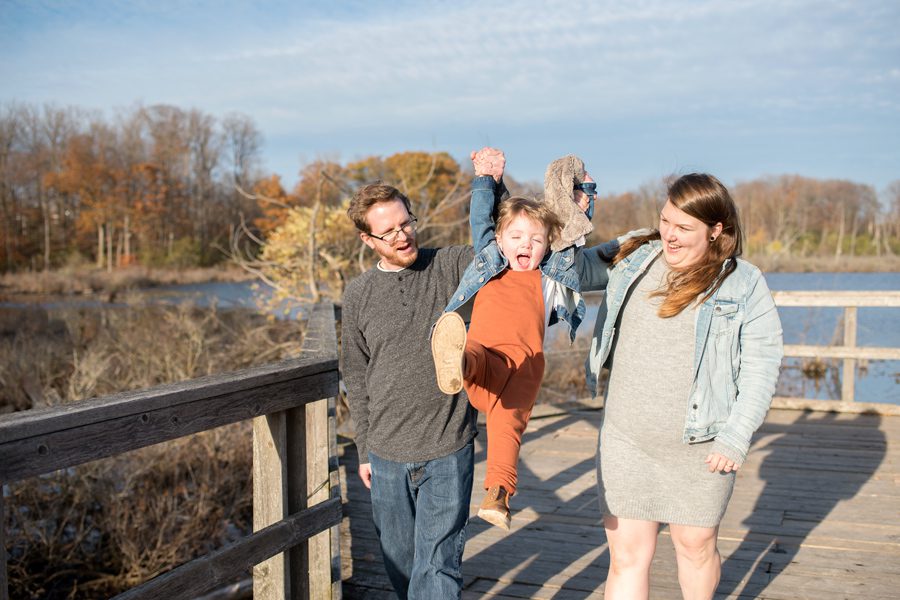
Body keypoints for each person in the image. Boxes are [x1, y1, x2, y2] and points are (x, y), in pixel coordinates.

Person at [578, 173, 784, 599]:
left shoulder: (743, 283)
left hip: (701, 447)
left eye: (684, 227)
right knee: (627, 557)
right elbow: (575, 273)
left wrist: (735, 437)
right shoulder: (635, 252)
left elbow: (762, 368)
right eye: (666, 220)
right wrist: (574, 215)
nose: (669, 235)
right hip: (627, 440)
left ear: (716, 230)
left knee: (695, 548)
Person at [431, 148, 606, 531]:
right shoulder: (489, 262)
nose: (525, 245)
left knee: (508, 429)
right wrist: (486, 179)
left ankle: (498, 495)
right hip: (485, 362)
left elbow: (573, 232)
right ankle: (454, 362)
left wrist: (585, 192)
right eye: (516, 237)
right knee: (475, 353)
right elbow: (480, 218)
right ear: (499, 238)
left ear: (547, 245)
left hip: (524, 372)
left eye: (536, 239)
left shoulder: (550, 272)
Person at [341, 181, 500, 599]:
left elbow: (499, 246)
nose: (403, 235)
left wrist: (490, 185)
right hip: (386, 454)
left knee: (437, 567)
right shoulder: (358, 293)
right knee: (402, 566)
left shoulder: (450, 266)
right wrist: (363, 449)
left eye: (405, 222)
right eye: (388, 231)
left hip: (448, 447)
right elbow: (356, 374)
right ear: (367, 239)